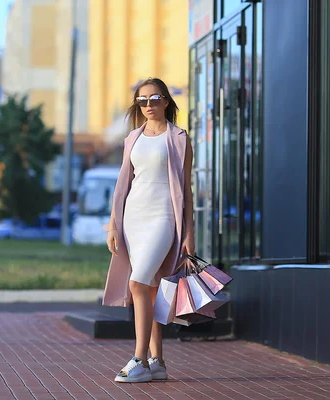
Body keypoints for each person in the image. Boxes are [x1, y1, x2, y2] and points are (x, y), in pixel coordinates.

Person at [103, 78, 195, 383]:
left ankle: (138, 359)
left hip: (163, 218)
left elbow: (187, 190)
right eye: (142, 100)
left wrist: (189, 234)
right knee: (151, 288)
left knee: (138, 283)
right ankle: (158, 362)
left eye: (155, 99)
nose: (148, 105)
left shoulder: (179, 138)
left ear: (166, 101)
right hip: (133, 218)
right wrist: (114, 223)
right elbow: (122, 183)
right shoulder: (133, 138)